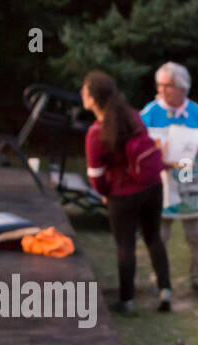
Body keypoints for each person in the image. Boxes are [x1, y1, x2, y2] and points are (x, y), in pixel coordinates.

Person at [139, 62, 198, 303]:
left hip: (191, 180)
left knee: (196, 234)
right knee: (159, 234)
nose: (161, 89)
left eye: (167, 85)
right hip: (163, 182)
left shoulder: (195, 112)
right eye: (159, 84)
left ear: (182, 88)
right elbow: (137, 149)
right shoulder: (149, 113)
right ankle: (157, 279)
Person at [81, 70, 171, 316]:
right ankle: (166, 291)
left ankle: (127, 301)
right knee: (154, 238)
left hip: (122, 195)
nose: (82, 94)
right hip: (152, 187)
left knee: (125, 246)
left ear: (92, 98)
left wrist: (105, 193)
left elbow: (96, 175)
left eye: (84, 90)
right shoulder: (132, 116)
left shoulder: (95, 133)